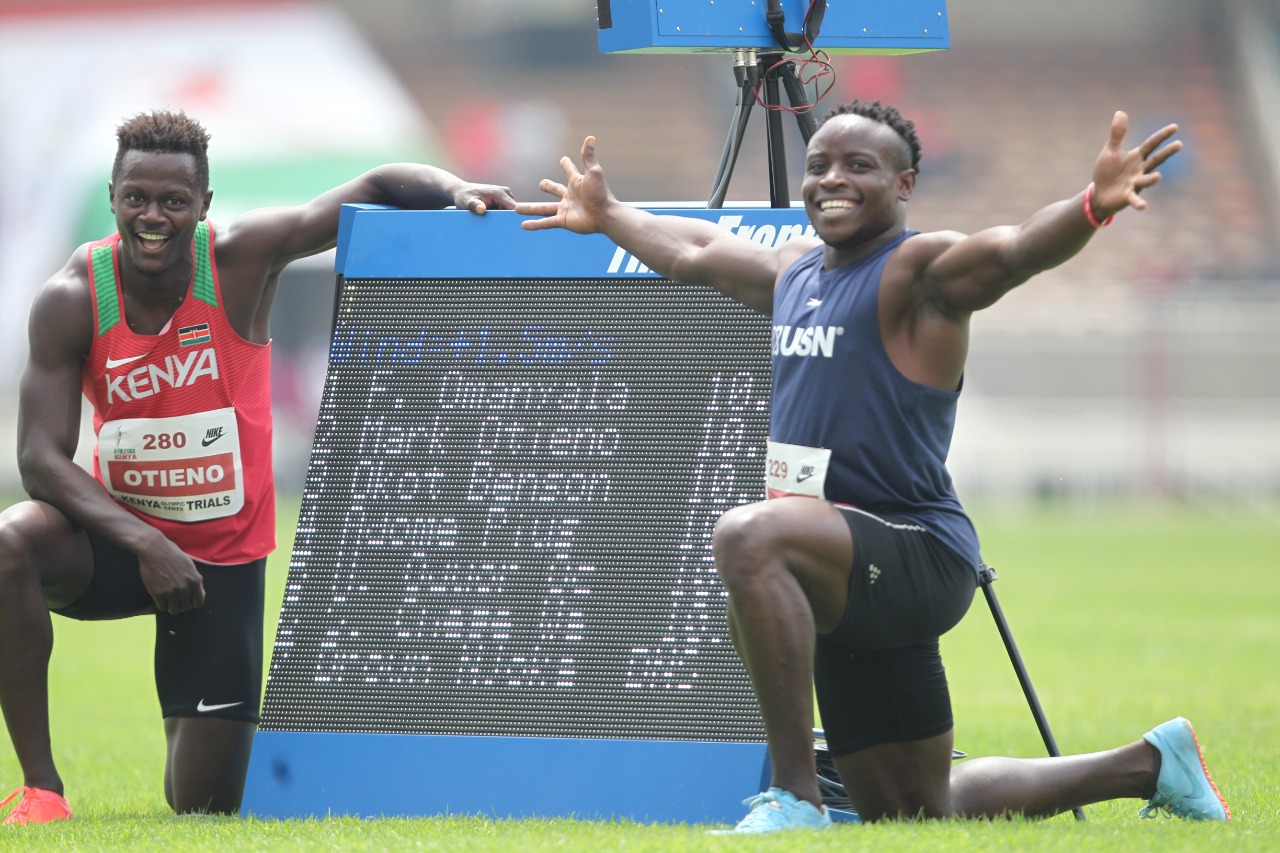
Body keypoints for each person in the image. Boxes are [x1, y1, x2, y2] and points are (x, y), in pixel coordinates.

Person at [515, 101, 1231, 831]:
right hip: (837, 565)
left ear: (905, 182)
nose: (834, 178)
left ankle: (794, 798)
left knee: (749, 537)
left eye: (860, 165)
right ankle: (1149, 761)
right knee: (912, 808)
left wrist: (1089, 206)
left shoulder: (919, 272)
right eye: (820, 164)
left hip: (916, 552)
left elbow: (1014, 249)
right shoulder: (791, 275)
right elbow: (691, 253)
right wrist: (607, 214)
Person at [0, 109, 515, 824]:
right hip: (121, 543)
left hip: (219, 560)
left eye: (174, 201)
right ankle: (42, 789)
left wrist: (453, 188)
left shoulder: (241, 260)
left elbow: (376, 183)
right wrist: (146, 543)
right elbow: (38, 458)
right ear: (114, 197)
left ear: (203, 206)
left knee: (203, 807)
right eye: (136, 199)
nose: (153, 216)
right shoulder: (74, 298)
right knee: (10, 539)